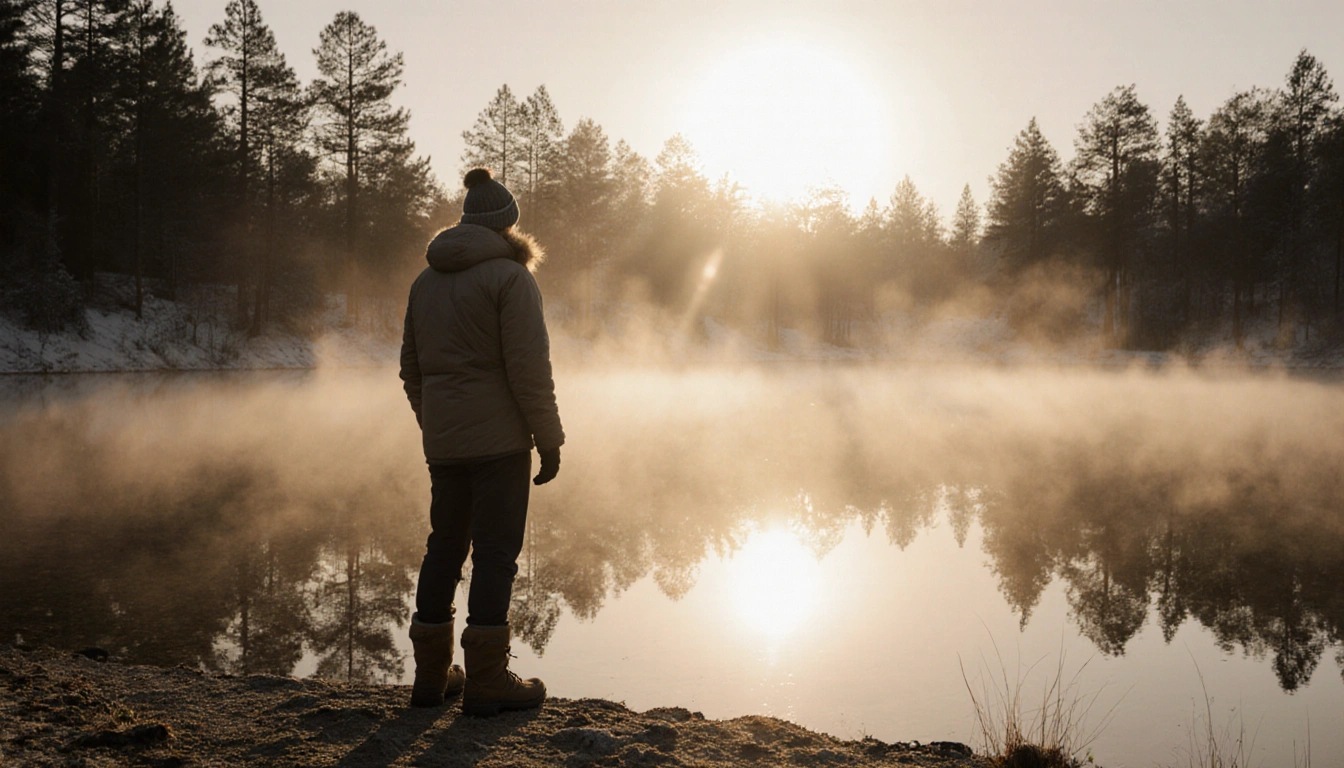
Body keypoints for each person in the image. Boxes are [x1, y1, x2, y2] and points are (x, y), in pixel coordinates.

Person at [399, 167, 564, 715]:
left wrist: (436, 423)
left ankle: (429, 679)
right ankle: (487, 680)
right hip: (499, 444)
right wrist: (549, 436)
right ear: (507, 226)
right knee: (495, 554)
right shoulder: (511, 279)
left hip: (444, 443)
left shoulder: (425, 281)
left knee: (443, 546)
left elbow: (411, 369)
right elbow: (528, 368)